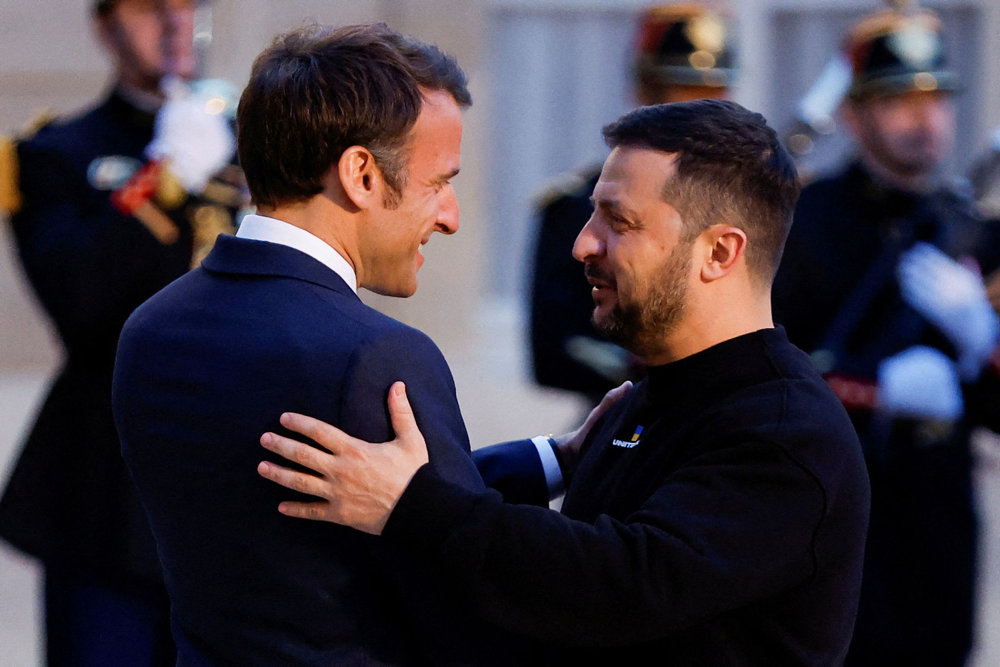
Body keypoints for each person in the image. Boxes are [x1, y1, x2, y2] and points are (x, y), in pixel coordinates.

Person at [257, 99, 872, 664]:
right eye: (591, 217)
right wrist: (554, 459)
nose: (583, 245)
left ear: (719, 253)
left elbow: (617, 584)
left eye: (619, 223)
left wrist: (412, 505)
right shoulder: (656, 397)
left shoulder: (787, 435)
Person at [112, 22, 535, 665]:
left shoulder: (150, 328)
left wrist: (552, 456)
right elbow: (461, 596)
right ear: (361, 174)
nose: (450, 215)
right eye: (438, 182)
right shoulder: (375, 356)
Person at [0, 1, 241, 664]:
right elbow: (77, 298)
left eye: (189, 5)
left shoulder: (256, 147)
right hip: (107, 496)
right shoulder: (56, 150)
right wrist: (165, 177)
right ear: (105, 26)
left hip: (234, 477)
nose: (175, 22)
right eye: (150, 7)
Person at [771, 8, 1000, 665]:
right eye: (899, 101)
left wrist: (981, 339)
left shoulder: (978, 235)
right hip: (830, 522)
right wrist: (876, 390)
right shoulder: (804, 227)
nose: (924, 120)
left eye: (936, 100)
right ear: (853, 116)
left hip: (936, 528)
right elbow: (763, 378)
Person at [530, 2, 735, 404]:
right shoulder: (576, 207)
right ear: (643, 94)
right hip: (629, 414)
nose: (697, 114)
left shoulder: (750, 204)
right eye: (682, 93)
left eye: (712, 95)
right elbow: (554, 351)